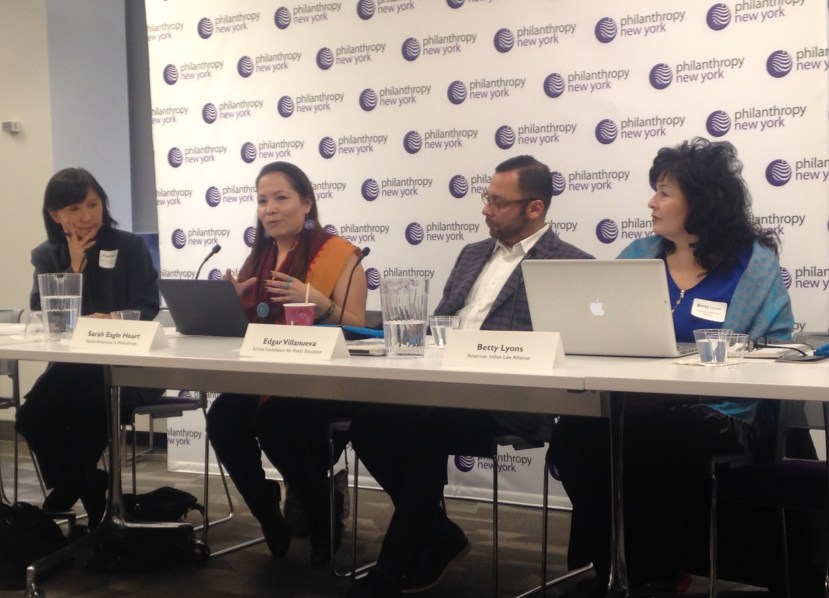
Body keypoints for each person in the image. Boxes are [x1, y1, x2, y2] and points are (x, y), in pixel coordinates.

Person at [549, 138, 806, 597]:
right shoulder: (639, 253)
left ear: (702, 200)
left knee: (656, 438)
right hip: (637, 400)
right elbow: (605, 329)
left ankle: (652, 570)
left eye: (664, 192)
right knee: (576, 436)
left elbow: (776, 349)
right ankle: (618, 566)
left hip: (724, 410)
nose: (652, 202)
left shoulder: (755, 265)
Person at [346, 155, 593, 598]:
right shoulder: (471, 254)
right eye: (486, 197)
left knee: (428, 427)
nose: (485, 209)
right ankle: (440, 535)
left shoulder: (570, 264)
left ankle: (390, 571)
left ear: (534, 208)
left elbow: (566, 354)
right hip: (443, 388)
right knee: (370, 423)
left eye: (498, 202)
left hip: (514, 402)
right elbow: (442, 323)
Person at [205, 161, 367, 566]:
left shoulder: (341, 255)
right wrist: (231, 300)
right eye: (262, 201)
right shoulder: (258, 257)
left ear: (307, 204)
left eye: (281, 198)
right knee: (223, 419)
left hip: (323, 381)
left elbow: (359, 330)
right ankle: (267, 515)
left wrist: (317, 300)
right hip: (265, 377)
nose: (270, 209)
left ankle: (321, 520)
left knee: (276, 421)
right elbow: (244, 331)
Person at [16, 167, 161, 528]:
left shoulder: (128, 246)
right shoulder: (48, 255)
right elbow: (44, 312)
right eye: (75, 209)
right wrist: (74, 267)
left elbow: (148, 305)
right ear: (56, 216)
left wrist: (114, 318)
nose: (87, 216)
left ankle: (75, 493)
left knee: (87, 411)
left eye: (93, 204)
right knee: (30, 416)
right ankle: (90, 485)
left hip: (125, 367)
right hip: (71, 369)